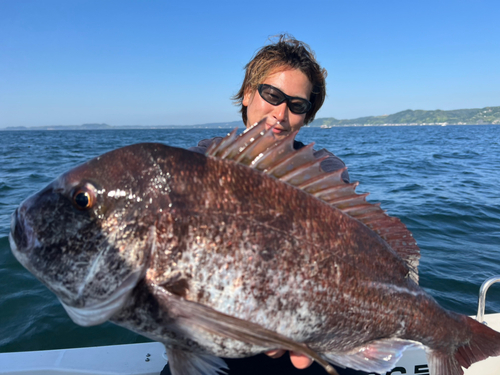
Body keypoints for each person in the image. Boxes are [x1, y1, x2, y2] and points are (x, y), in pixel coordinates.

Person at [166, 35, 365, 375]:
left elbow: (351, 254)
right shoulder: (197, 165)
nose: (280, 113)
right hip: (218, 337)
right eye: (271, 94)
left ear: (306, 115)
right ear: (247, 94)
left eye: (297, 105)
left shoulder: (326, 170)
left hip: (306, 336)